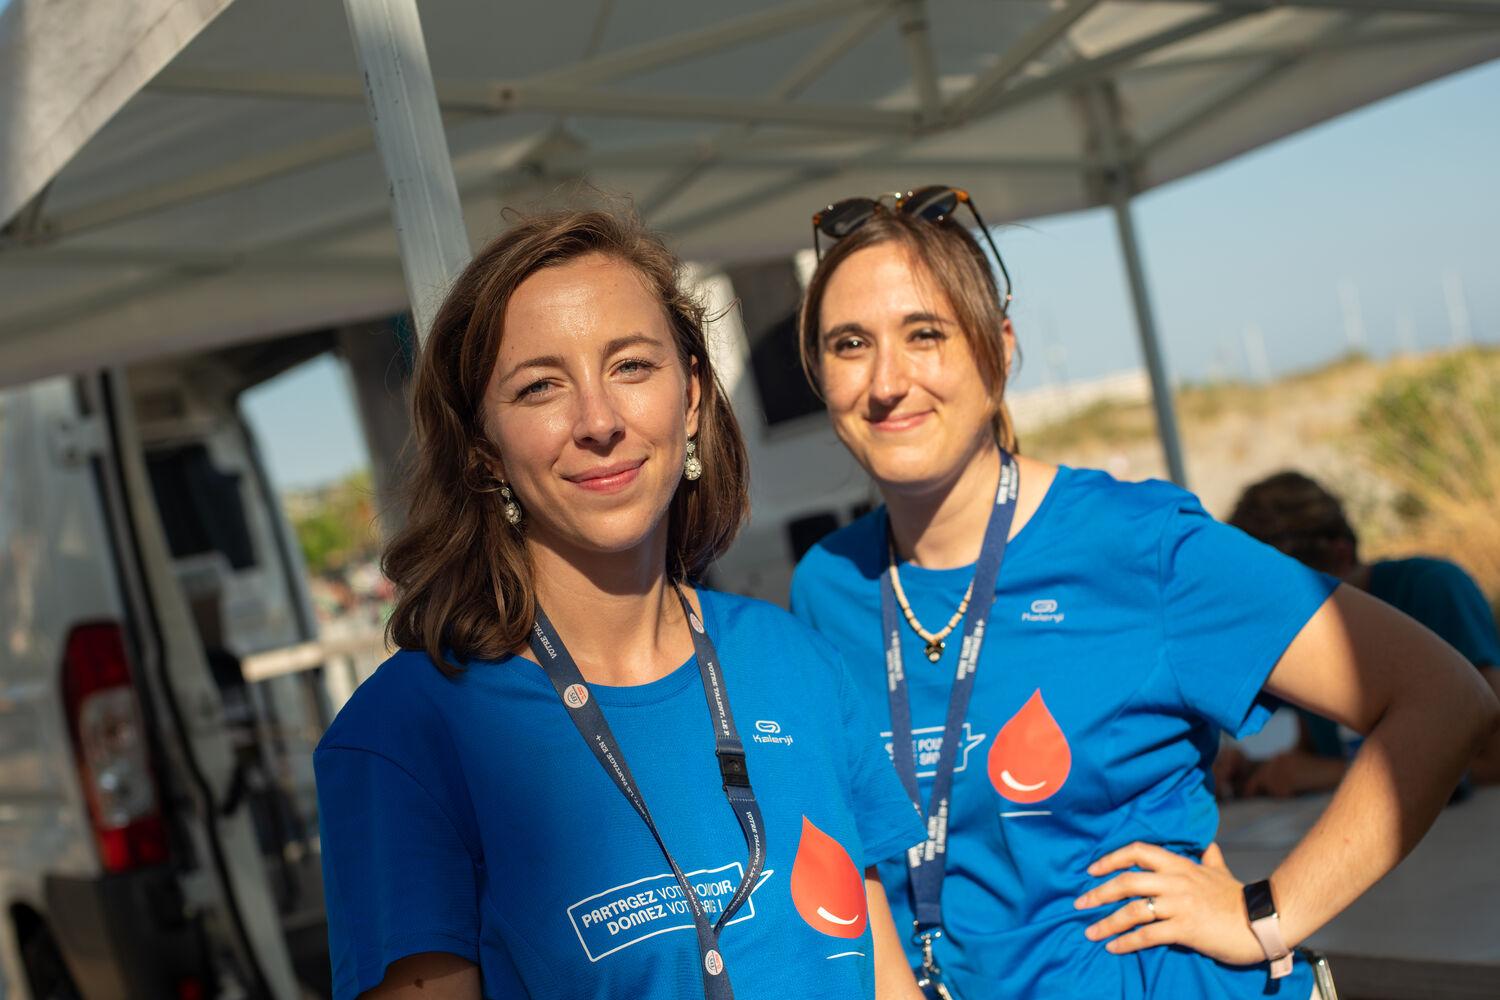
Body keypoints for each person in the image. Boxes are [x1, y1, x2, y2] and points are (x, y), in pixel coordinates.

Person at [787, 186, 1500, 999]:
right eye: (850, 344)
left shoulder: (1137, 544)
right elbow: (857, 849)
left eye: (925, 334)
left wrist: (1266, 913)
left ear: (998, 350)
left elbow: (1442, 697)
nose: (886, 380)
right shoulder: (828, 588)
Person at [314, 210, 927, 1000]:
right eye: (540, 386)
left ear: (692, 396)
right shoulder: (405, 736)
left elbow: (885, 980)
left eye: (631, 366)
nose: (599, 421)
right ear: (483, 447)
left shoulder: (796, 664)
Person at [1221, 470, 1500, 795]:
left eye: (1289, 599)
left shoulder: (1432, 591)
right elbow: (1316, 754)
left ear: (1341, 555)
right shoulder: (1303, 637)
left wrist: (1336, 774)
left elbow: (1494, 760)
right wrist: (1252, 771)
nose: (1277, 621)